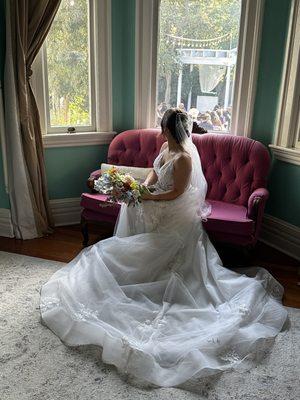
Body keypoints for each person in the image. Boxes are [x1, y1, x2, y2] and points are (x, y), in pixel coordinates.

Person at [40, 108, 288, 388]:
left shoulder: (183, 158)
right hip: (156, 199)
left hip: (173, 211)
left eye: (164, 127)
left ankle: (147, 268)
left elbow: (177, 193)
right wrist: (140, 189)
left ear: (170, 129)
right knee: (133, 215)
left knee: (147, 248)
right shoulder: (164, 147)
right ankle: (137, 260)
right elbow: (153, 174)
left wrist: (150, 198)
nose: (162, 130)